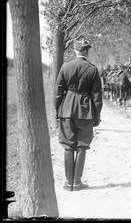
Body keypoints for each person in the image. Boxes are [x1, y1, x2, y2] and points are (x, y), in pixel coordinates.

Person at [55, 39, 103, 191]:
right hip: (85, 112)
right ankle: (77, 183)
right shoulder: (93, 69)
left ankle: (68, 183)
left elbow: (58, 93)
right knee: (82, 146)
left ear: (75, 51)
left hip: (67, 110)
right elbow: (97, 97)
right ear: (87, 52)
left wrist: (58, 112)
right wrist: (96, 116)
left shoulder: (65, 67)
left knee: (68, 146)